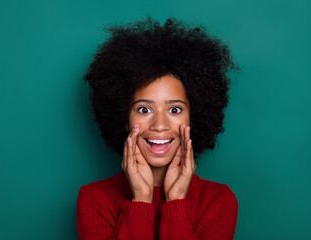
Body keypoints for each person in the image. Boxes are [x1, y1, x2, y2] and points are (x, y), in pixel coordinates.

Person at [77, 16, 238, 240]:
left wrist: (177, 203)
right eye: (144, 110)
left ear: (193, 118)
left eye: (174, 110)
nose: (160, 125)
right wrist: (141, 200)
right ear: (124, 116)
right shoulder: (94, 199)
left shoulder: (217, 200)